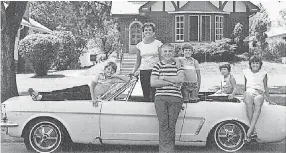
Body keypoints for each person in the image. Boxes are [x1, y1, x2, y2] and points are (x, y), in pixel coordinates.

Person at [28, 62, 129, 107]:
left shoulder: (113, 79)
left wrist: (116, 75)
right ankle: (39, 94)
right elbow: (92, 86)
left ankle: (40, 97)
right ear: (105, 69)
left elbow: (127, 79)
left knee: (65, 95)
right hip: (87, 90)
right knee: (64, 90)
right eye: (108, 69)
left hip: (87, 95)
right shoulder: (99, 75)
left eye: (112, 70)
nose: (110, 71)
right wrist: (94, 98)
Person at [150, 43, 185, 153]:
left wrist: (164, 77)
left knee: (171, 124)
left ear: (173, 52)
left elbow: (180, 79)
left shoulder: (178, 65)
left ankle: (170, 150)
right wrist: (171, 82)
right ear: (161, 53)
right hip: (160, 98)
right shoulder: (157, 66)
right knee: (163, 123)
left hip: (176, 98)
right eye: (165, 51)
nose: (167, 53)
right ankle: (164, 151)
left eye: (170, 51)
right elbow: (153, 82)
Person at [243, 56, 275, 142]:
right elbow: (245, 86)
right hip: (249, 91)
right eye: (253, 63)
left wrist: (269, 100)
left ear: (260, 64)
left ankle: (250, 130)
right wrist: (245, 95)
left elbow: (265, 87)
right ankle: (253, 131)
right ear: (250, 64)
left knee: (257, 101)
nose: (255, 64)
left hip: (259, 92)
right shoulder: (246, 72)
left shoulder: (263, 73)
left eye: (257, 63)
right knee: (248, 101)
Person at [131, 22, 163, 102]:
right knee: (146, 94)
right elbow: (138, 62)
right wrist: (133, 71)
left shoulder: (158, 44)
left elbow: (162, 59)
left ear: (153, 32)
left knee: (155, 94)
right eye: (146, 30)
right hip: (144, 72)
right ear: (143, 32)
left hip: (155, 71)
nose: (148, 31)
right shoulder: (139, 45)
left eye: (150, 30)